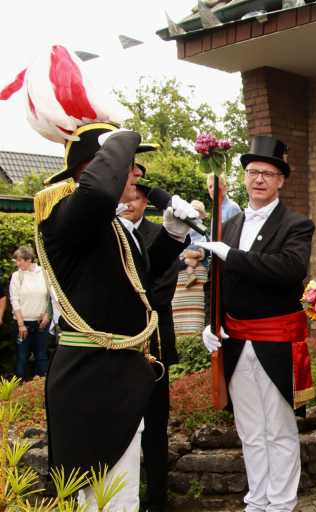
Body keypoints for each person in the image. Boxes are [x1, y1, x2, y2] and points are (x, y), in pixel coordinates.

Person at [35, 123, 195, 511]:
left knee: (121, 497)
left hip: (118, 374)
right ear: (96, 167)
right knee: (103, 500)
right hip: (91, 377)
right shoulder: (64, 216)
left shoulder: (113, 227)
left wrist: (172, 236)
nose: (137, 173)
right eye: (130, 163)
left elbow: (137, 283)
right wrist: (124, 134)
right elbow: (96, 192)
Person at [199, 136, 315, 512]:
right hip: (234, 339)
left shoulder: (297, 224)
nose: (259, 179)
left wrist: (232, 256)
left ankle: (281, 503)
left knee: (278, 428)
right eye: (253, 172)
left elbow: (288, 269)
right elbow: (215, 281)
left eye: (268, 173)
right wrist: (210, 322)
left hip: (274, 340)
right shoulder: (228, 224)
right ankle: (257, 499)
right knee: (249, 429)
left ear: (281, 180)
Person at [120, 175, 182, 512]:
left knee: (155, 426)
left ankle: (157, 499)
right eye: (124, 196)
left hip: (153, 345)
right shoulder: (110, 232)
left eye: (135, 197)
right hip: (117, 347)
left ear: (146, 201)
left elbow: (161, 291)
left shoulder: (161, 234)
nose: (128, 203)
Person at [9, 245, 50, 379]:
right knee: (22, 358)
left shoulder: (44, 273)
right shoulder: (16, 276)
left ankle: (42, 386)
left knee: (42, 356)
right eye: (16, 260)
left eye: (19, 260)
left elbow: (51, 297)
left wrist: (47, 314)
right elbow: (14, 300)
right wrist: (21, 324)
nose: (17, 263)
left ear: (29, 259)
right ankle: (19, 387)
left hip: (41, 324)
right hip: (22, 324)